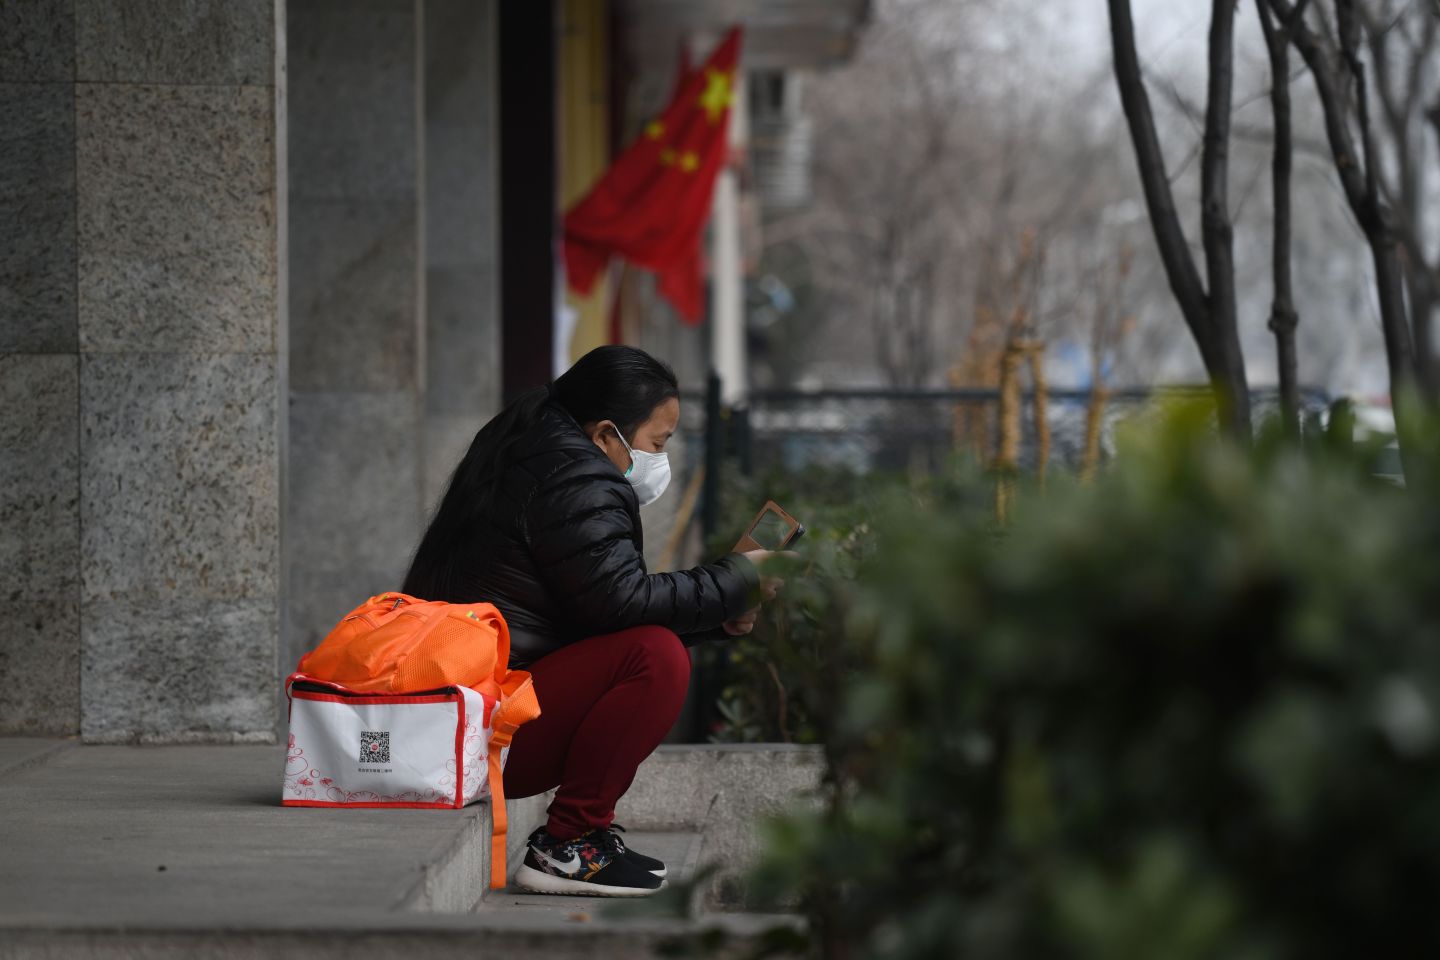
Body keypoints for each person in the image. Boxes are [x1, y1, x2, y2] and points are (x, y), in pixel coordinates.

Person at [402, 345, 775, 897]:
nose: (659, 458)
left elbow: (597, 610)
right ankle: (568, 844)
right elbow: (619, 604)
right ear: (605, 435)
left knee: (648, 649)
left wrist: (720, 621)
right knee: (656, 658)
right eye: (657, 443)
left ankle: (580, 840)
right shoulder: (575, 475)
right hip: (482, 728)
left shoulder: (537, 448)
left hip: (459, 713)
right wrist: (740, 577)